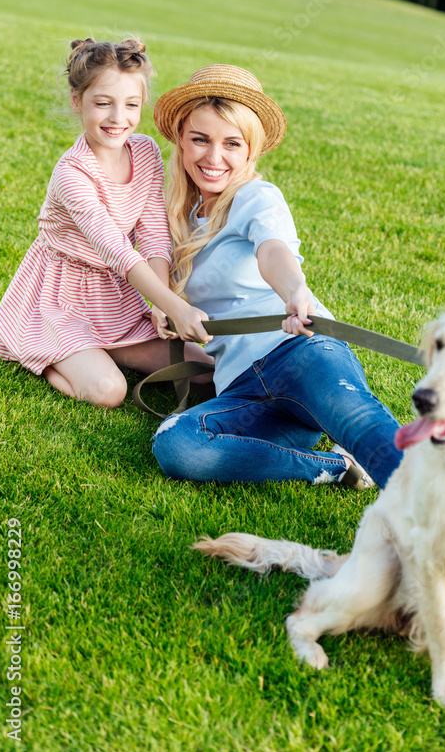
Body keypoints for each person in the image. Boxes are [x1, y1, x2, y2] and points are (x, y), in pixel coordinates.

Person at [150, 64, 403, 490]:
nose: (214, 157)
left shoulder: (255, 197)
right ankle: (333, 467)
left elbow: (273, 252)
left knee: (368, 431)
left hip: (301, 351)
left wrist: (295, 290)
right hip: (242, 389)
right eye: (200, 139)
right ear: (180, 139)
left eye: (232, 143)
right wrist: (163, 308)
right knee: (178, 445)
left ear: (252, 150)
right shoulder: (176, 215)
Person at [0, 37, 212, 407]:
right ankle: (43, 353)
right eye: (103, 103)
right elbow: (116, 249)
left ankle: (112, 348)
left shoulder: (143, 151)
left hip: (112, 297)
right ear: (78, 102)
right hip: (58, 299)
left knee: (206, 368)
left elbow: (154, 233)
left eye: (131, 105)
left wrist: (161, 303)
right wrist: (176, 307)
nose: (117, 118)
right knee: (109, 391)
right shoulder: (72, 174)